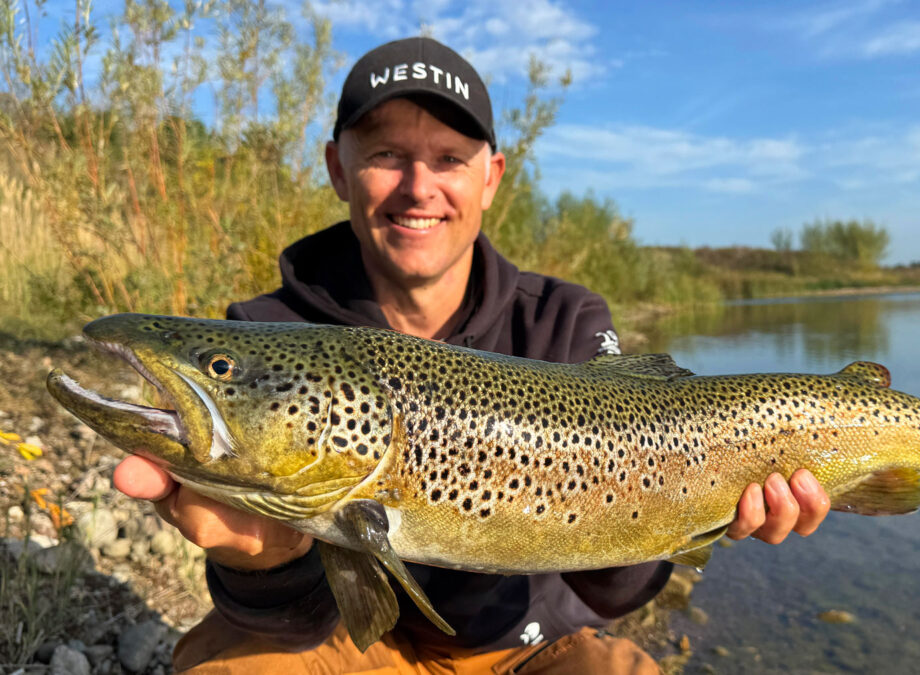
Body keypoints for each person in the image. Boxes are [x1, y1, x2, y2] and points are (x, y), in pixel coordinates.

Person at [113, 37, 832, 673]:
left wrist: (705, 508)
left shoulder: (564, 321)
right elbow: (277, 619)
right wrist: (259, 562)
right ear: (338, 168)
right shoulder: (268, 329)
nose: (418, 186)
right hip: (344, 645)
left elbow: (612, 590)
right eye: (387, 154)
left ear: (491, 177)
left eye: (449, 159)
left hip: (527, 647)